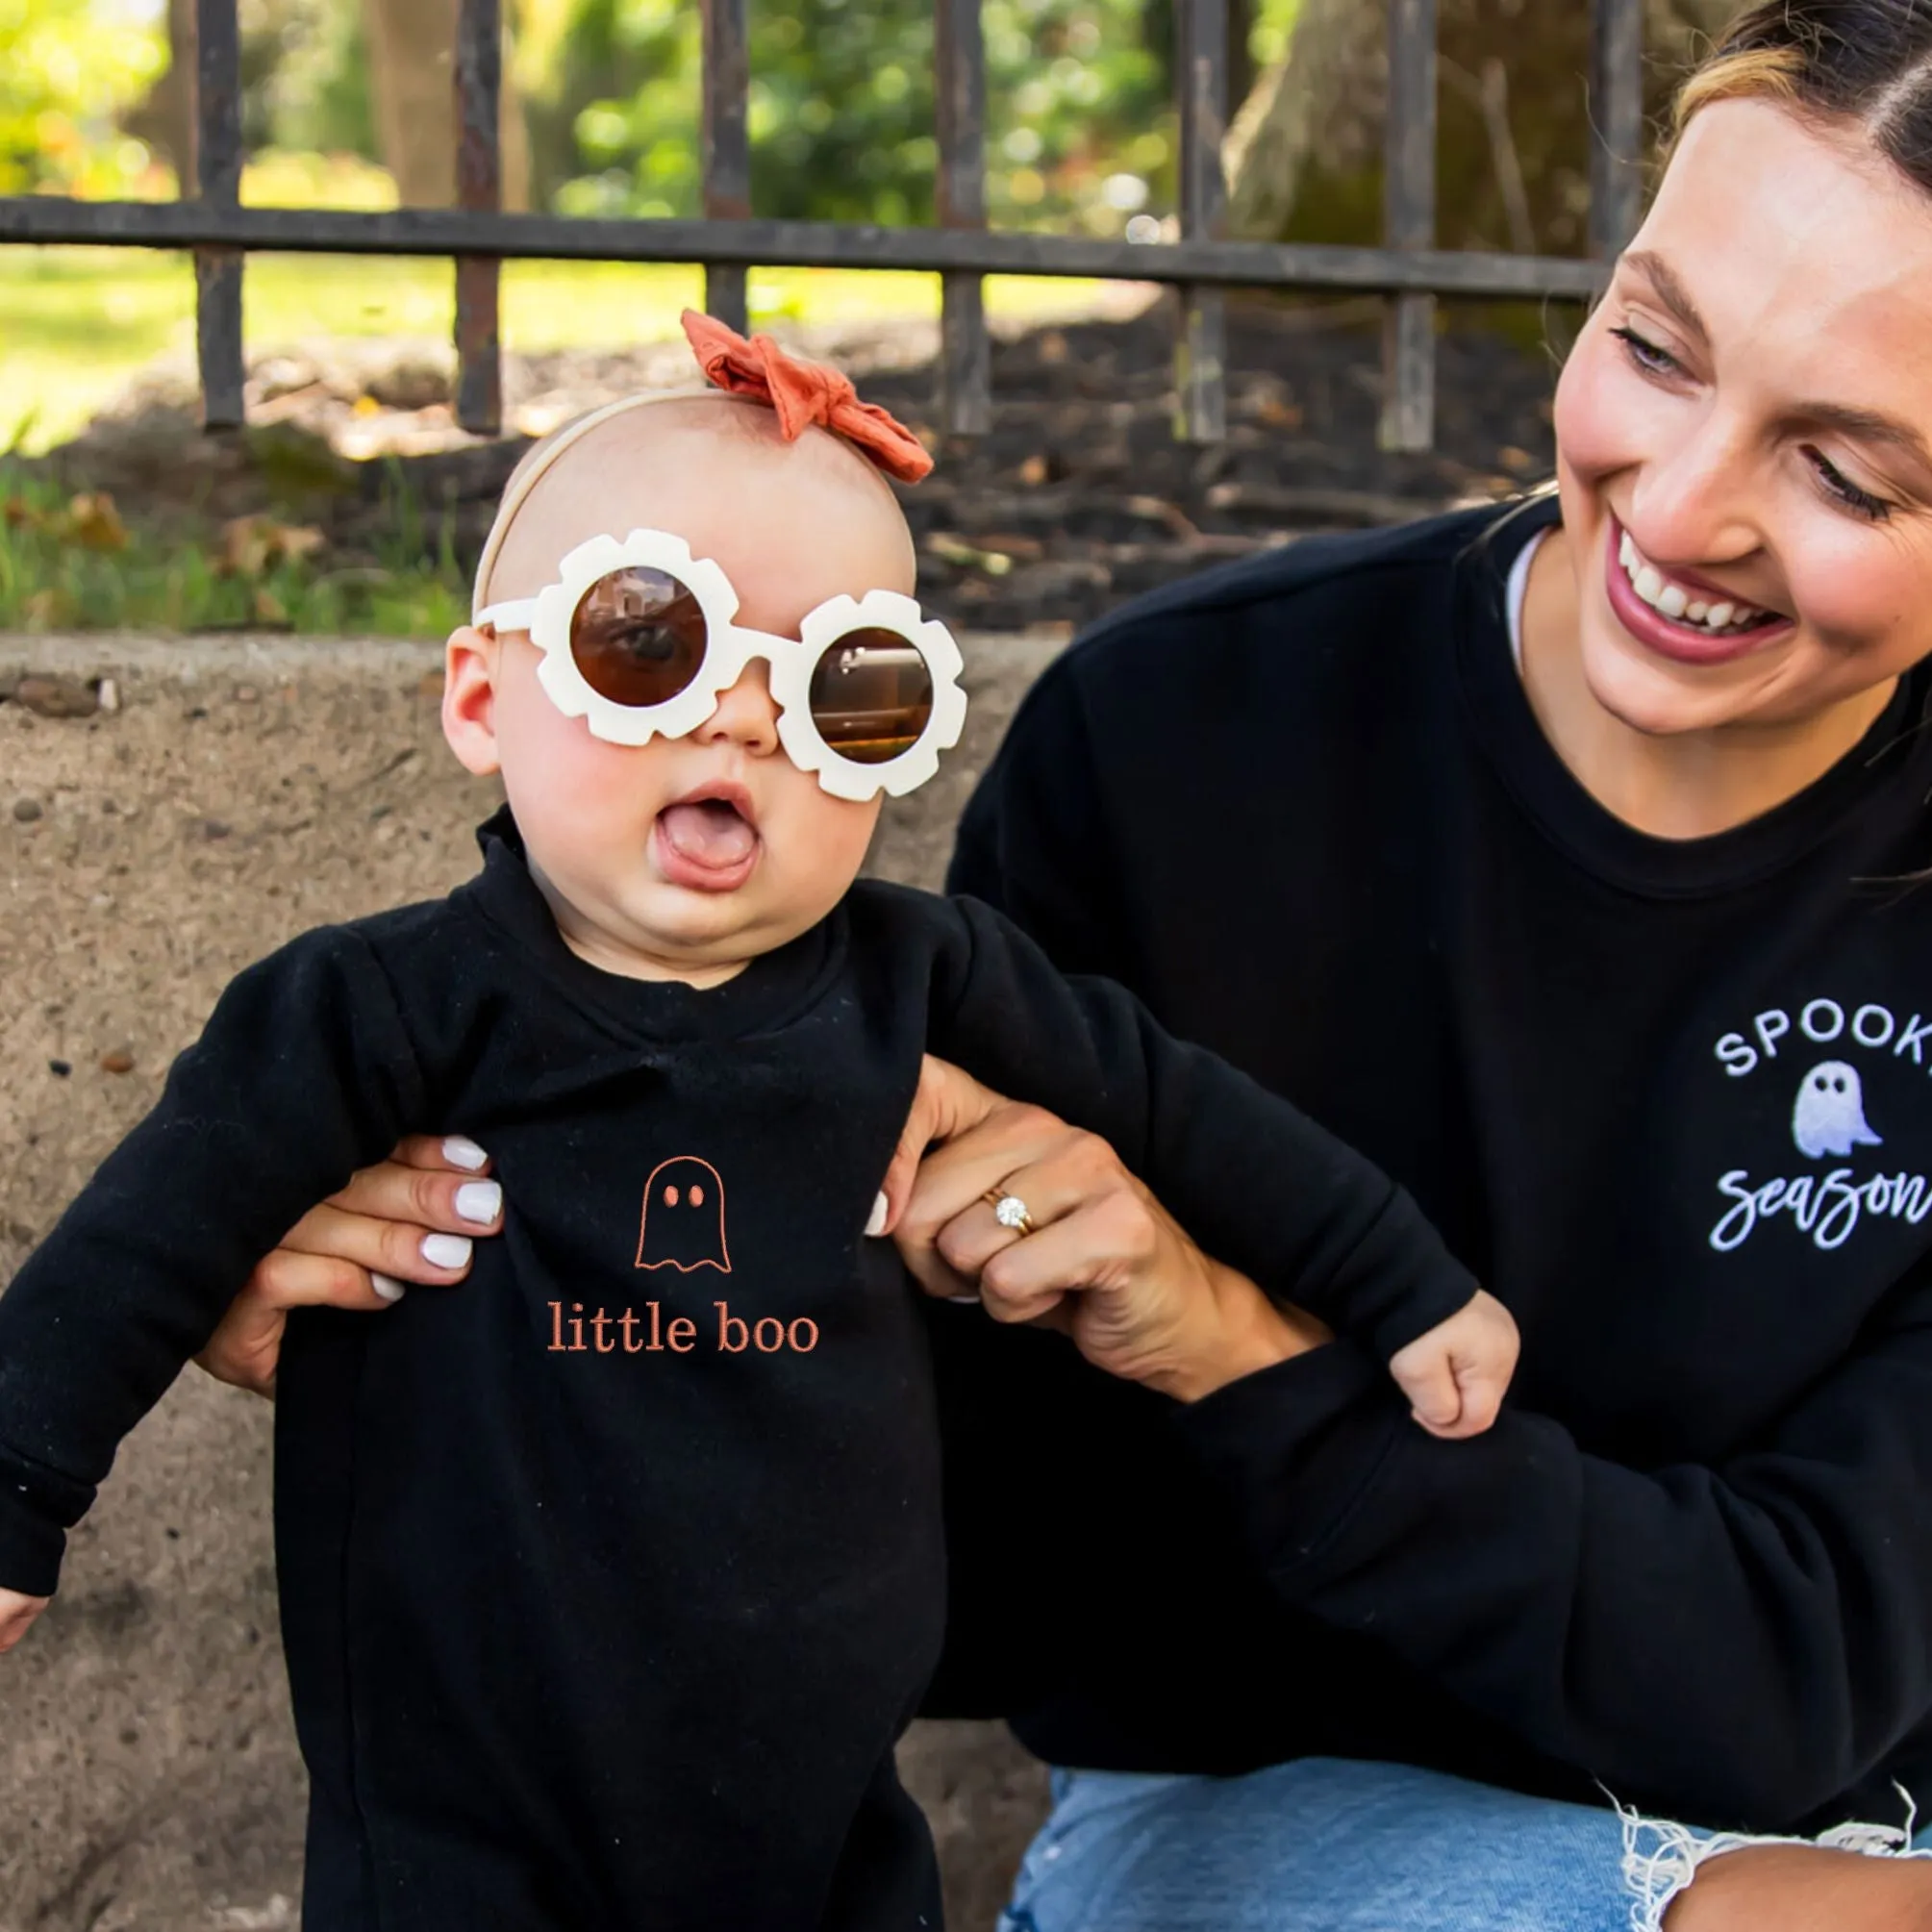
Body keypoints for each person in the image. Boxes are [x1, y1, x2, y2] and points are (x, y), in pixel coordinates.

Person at [174, 3, 1932, 1926]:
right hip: (1266, 1807)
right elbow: (963, 1585)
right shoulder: (1180, 740)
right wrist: (486, 1325)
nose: (1679, 508)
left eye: (1846, 474)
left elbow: (1787, 1671)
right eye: (1649, 349)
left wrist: (1229, 1331)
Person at [0, 316, 1514, 1931]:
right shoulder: (379, 1011)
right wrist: (21, 1491)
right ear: (479, 697)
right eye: (646, 643)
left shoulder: (928, 980)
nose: (739, 719)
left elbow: (1187, 1115)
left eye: (844, 684)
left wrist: (1400, 1279)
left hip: (820, 1790)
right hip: (471, 1779)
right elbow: (148, 1239)